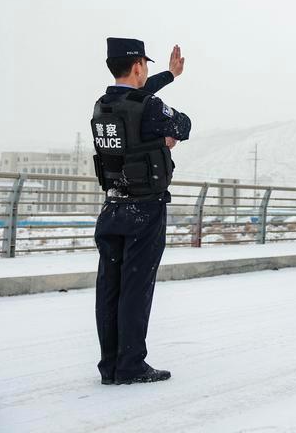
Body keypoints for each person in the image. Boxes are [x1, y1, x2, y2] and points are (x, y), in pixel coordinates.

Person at [91, 38, 191, 384]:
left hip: (112, 206)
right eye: (145, 65)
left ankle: (110, 366)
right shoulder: (149, 107)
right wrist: (163, 140)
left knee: (110, 288)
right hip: (144, 209)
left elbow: (132, 102)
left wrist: (169, 76)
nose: (146, 70)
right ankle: (131, 365)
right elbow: (183, 126)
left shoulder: (102, 106)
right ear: (137, 66)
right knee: (136, 287)